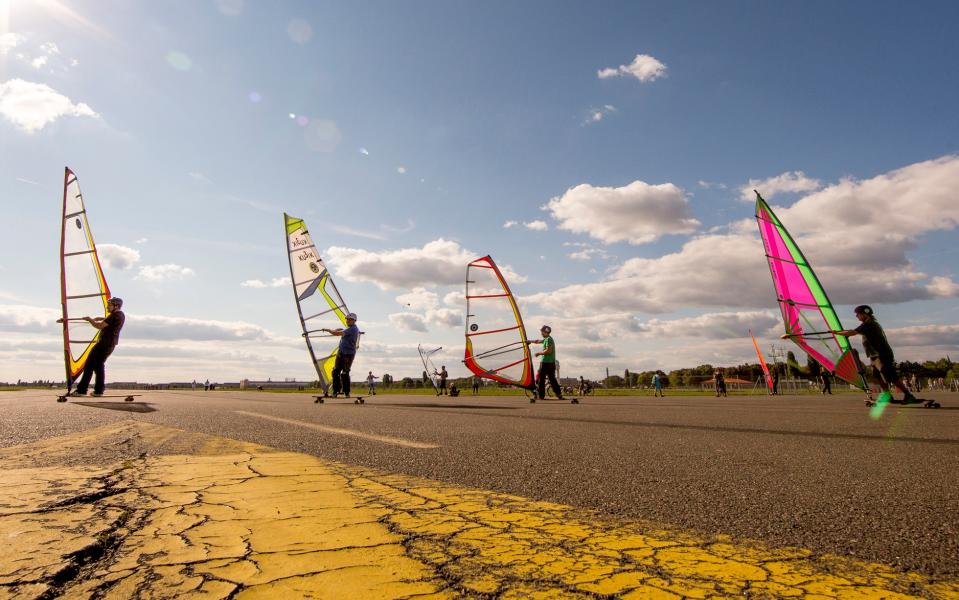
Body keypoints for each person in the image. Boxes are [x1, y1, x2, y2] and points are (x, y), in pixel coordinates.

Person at [832, 305, 918, 403]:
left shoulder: (869, 324)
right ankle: (887, 395)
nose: (856, 316)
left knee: (890, 375)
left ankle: (908, 395)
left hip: (882, 355)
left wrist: (836, 333)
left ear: (865, 314)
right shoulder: (867, 324)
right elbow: (853, 331)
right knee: (878, 377)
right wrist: (838, 332)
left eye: (858, 314)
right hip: (874, 356)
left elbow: (852, 332)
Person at [59, 297, 125, 397]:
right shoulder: (119, 315)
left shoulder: (115, 315)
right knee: (99, 366)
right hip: (110, 345)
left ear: (116, 306)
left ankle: (81, 390)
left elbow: (99, 326)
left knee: (89, 364)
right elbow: (109, 321)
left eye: (109, 305)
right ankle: (99, 391)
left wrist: (90, 320)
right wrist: (101, 318)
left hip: (104, 344)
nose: (107, 307)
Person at [322, 313, 359, 398]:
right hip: (341, 353)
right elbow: (341, 332)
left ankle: (346, 392)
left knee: (345, 373)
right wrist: (337, 330)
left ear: (354, 321)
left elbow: (337, 333)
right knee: (335, 372)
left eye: (349, 319)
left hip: (348, 355)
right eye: (347, 319)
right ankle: (336, 391)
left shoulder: (353, 329)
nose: (347, 321)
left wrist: (329, 330)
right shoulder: (349, 329)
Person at [528, 325, 563, 400]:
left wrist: (539, 353)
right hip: (551, 363)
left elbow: (548, 351)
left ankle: (541, 396)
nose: (541, 333)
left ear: (545, 332)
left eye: (542, 332)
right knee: (552, 379)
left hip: (545, 362)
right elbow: (538, 341)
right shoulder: (547, 339)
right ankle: (559, 394)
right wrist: (530, 341)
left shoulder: (548, 340)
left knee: (541, 379)